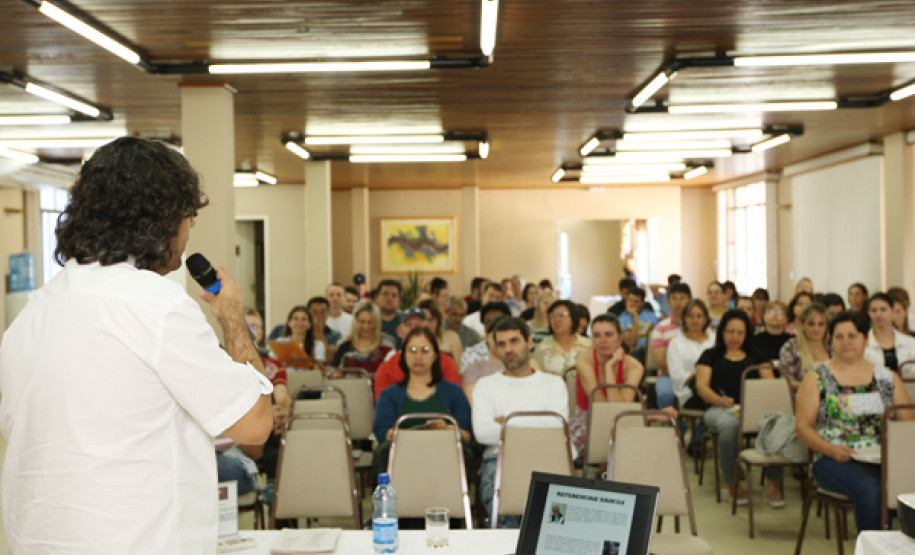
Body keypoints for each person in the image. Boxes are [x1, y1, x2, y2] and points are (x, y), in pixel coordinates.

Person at [0, 137, 274, 552]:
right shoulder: (157, 306)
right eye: (186, 214)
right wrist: (232, 318)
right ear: (158, 219)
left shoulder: (29, 317)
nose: (190, 226)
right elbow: (255, 425)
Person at [795, 310, 914, 532]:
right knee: (874, 490)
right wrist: (831, 450)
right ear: (830, 340)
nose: (845, 342)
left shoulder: (886, 377)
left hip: (884, 458)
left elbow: (908, 424)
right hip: (835, 459)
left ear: (865, 339)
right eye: (839, 337)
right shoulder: (817, 378)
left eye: (852, 336)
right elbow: (802, 427)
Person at [472, 317, 568, 527]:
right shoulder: (485, 385)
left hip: (547, 459)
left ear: (529, 342)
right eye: (502, 344)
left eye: (514, 341)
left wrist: (506, 421)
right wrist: (538, 420)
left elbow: (557, 428)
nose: (508, 349)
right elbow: (482, 433)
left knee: (553, 528)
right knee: (506, 528)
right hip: (499, 461)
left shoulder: (553, 383)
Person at [695, 309, 781, 506]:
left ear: (747, 334)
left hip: (753, 409)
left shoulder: (757, 355)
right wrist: (720, 400)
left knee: (774, 423)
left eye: (740, 332)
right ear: (722, 332)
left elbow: (770, 384)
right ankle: (731, 481)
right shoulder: (710, 355)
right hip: (720, 409)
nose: (734, 337)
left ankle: (774, 482)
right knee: (730, 426)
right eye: (730, 332)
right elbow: (702, 387)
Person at [372, 327, 474, 481]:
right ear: (403, 355)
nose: (418, 356)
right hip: (402, 467)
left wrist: (447, 429)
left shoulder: (454, 393)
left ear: (435, 356)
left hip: (445, 468)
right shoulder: (389, 395)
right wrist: (409, 437)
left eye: (425, 350)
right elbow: (382, 433)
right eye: (412, 350)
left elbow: (467, 434)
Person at [572, 314, 645, 454]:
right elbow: (601, 407)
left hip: (622, 421)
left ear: (620, 338)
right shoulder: (584, 361)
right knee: (608, 441)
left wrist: (609, 369)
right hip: (588, 419)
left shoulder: (634, 366)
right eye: (597, 335)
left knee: (638, 444)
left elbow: (619, 410)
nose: (602, 341)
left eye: (608, 334)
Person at [373, 307, 462, 399]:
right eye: (408, 325)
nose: (413, 329)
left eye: (419, 325)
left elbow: (455, 400)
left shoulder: (446, 363)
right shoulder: (386, 368)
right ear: (398, 332)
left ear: (429, 330)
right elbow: (384, 406)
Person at [666, 299, 716, 415]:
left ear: (705, 319)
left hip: (716, 387)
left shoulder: (714, 339)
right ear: (684, 318)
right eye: (691, 316)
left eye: (699, 316)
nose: (695, 320)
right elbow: (676, 374)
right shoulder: (676, 343)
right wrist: (701, 377)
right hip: (689, 392)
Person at [651, 282, 692, 408]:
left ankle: (699, 428)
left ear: (690, 300)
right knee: (665, 395)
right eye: (674, 298)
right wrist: (681, 377)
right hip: (668, 375)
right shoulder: (660, 328)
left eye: (682, 298)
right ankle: (675, 426)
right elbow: (661, 362)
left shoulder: (698, 325)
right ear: (668, 302)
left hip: (696, 374)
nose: (678, 302)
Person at [332, 300, 396, 376]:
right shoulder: (343, 346)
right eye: (362, 322)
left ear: (376, 322)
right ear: (355, 321)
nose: (366, 327)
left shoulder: (388, 344)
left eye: (370, 322)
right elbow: (336, 374)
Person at [532, 299, 593, 376]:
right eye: (553, 315)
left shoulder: (588, 345)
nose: (557, 319)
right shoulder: (542, 348)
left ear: (573, 318)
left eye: (562, 315)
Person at [779, 303, 831, 390]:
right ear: (802, 324)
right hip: (802, 397)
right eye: (811, 324)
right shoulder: (790, 347)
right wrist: (816, 388)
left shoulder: (832, 347)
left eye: (821, 324)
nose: (816, 328)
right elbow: (786, 380)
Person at [864, 293, 915, 373]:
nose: (878, 314)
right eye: (874, 310)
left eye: (883, 309)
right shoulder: (862, 343)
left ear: (892, 311)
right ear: (868, 313)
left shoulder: (911, 342)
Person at [462, 315, 508, 403]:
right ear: (487, 336)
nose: (499, 340)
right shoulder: (473, 370)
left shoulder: (523, 366)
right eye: (494, 335)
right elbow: (475, 404)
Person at [462, 302, 512, 372]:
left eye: (498, 322)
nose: (493, 326)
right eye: (488, 322)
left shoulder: (515, 351)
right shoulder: (470, 354)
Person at [418, 299, 464, 368]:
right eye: (423, 320)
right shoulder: (413, 341)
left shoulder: (452, 337)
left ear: (438, 321)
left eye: (431, 320)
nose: (426, 325)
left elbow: (459, 368)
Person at [617, 286, 658, 364]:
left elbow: (656, 337)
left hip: (650, 351)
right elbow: (631, 344)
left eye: (636, 301)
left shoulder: (651, 316)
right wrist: (635, 317)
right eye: (630, 300)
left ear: (642, 303)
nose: (632, 304)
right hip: (633, 353)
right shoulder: (621, 319)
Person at [375, 279, 404, 344]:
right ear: (376, 298)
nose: (389, 298)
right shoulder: (367, 321)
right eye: (385, 294)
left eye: (394, 295)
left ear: (400, 301)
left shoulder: (406, 321)